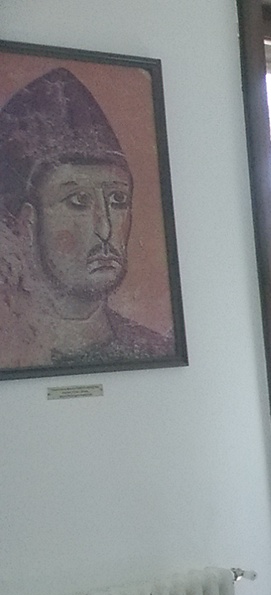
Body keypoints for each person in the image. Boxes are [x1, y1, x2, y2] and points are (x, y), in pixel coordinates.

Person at [0, 67, 174, 370]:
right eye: (78, 201)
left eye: (118, 200)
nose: (105, 228)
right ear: (26, 224)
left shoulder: (151, 349)